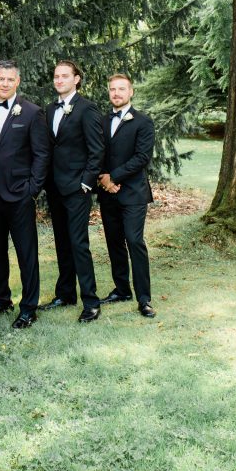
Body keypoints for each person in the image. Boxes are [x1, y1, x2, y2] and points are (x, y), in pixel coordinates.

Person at [0, 60, 50, 329]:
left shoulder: (32, 113)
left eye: (10, 79)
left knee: (26, 252)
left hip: (19, 194)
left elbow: (41, 154)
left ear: (17, 82)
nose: (5, 83)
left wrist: (32, 189)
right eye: (1, 78)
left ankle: (29, 307)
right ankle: (1, 299)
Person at [42, 60, 104, 322]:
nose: (59, 80)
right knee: (62, 242)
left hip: (77, 188)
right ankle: (66, 293)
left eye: (65, 76)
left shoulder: (87, 109)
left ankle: (91, 301)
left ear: (76, 79)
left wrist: (86, 182)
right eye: (56, 76)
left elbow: (97, 149)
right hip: (55, 187)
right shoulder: (49, 109)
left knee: (79, 243)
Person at [97, 74, 156, 318]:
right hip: (107, 193)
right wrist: (102, 178)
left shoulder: (143, 121)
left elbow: (142, 157)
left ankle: (144, 299)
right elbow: (95, 152)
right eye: (112, 89)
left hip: (133, 193)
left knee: (134, 241)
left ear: (131, 92)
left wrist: (114, 177)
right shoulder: (102, 121)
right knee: (114, 243)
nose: (116, 93)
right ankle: (122, 290)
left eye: (121, 89)